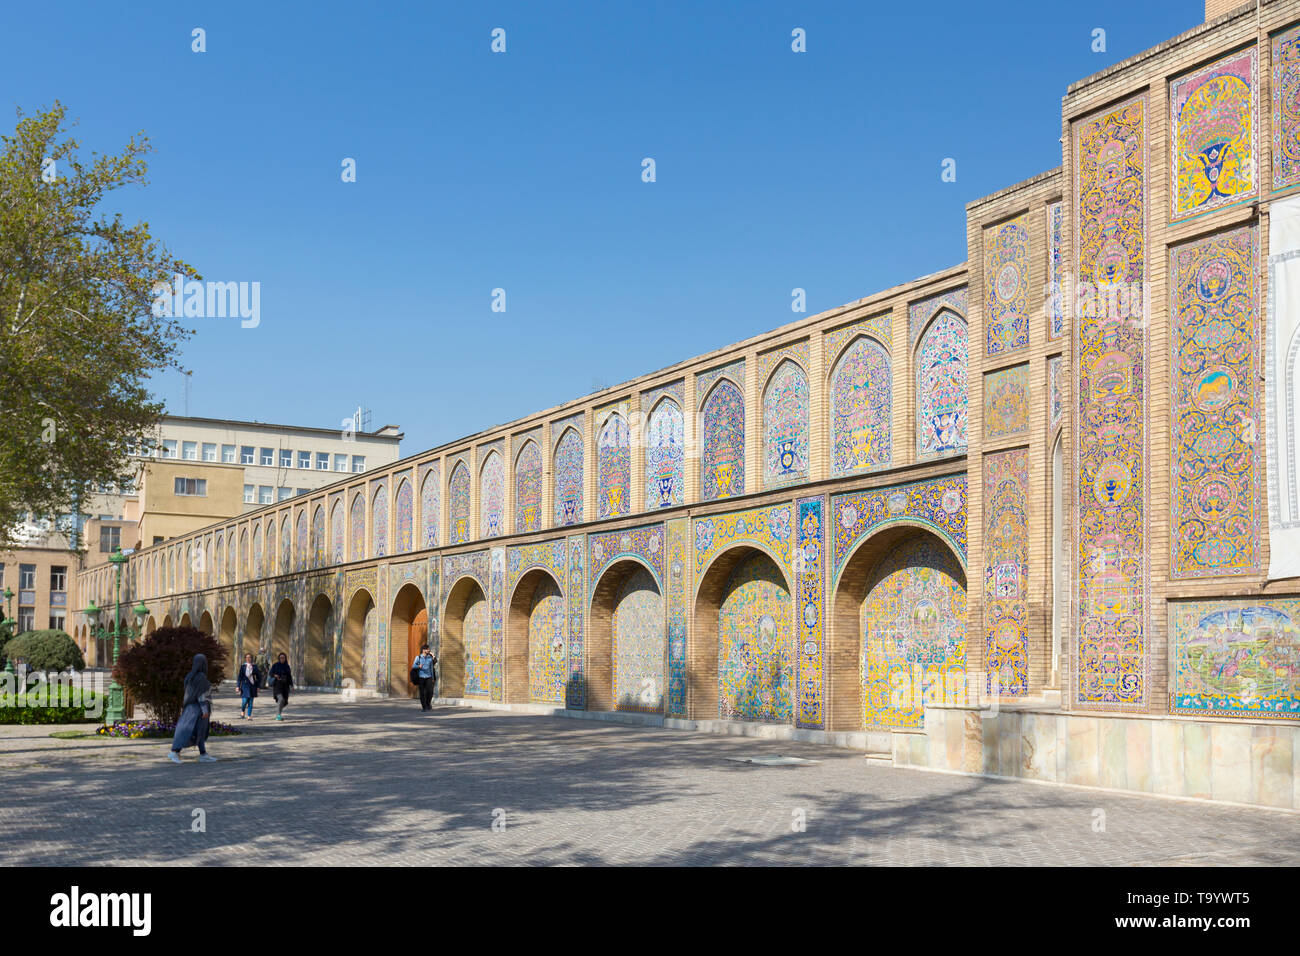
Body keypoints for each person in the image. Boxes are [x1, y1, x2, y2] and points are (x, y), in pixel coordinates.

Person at [169, 653, 216, 763]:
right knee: (187, 730)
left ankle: (203, 754)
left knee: (198, 731)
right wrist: (204, 709)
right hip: (197, 708)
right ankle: (174, 752)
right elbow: (201, 695)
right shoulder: (200, 677)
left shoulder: (190, 676)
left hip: (191, 707)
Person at [412, 644, 437, 711]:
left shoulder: (430, 658)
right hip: (421, 677)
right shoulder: (418, 657)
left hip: (428, 677)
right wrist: (418, 666)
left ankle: (428, 704)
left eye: (429, 649)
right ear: (423, 650)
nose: (429, 650)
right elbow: (413, 666)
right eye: (427, 649)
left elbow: (431, 668)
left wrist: (433, 678)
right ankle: (424, 707)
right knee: (422, 693)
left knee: (430, 692)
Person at [269, 652, 293, 721]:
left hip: (285, 686)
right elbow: (270, 673)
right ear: (279, 658)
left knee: (285, 702)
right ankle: (278, 715)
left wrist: (291, 685)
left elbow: (289, 676)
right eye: (281, 658)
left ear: (285, 658)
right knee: (281, 699)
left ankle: (278, 711)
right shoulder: (275, 665)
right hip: (277, 685)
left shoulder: (287, 666)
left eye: (283, 658)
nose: (282, 659)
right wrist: (275, 675)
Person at [235, 653, 260, 719]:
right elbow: (240, 677)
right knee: (244, 701)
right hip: (245, 686)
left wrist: (258, 686)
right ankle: (242, 711)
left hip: (252, 686)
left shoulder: (255, 666)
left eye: (250, 657)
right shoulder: (243, 666)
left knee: (251, 702)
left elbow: (258, 677)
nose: (248, 658)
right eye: (247, 657)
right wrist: (238, 686)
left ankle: (249, 715)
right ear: (245, 658)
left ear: (252, 658)